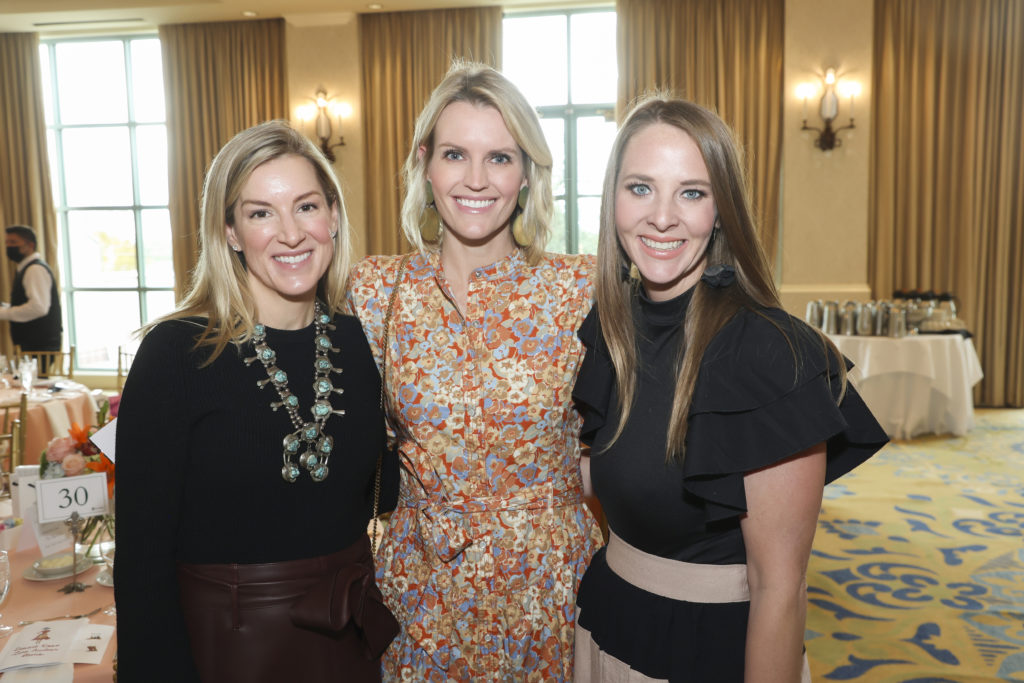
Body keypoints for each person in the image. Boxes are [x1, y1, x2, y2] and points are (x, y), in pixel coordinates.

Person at [571, 97, 889, 682]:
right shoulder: (611, 328)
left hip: (707, 649)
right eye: (640, 188)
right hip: (607, 625)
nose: (662, 217)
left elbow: (780, 588)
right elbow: (618, 479)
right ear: (612, 199)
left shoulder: (767, 354)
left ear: (721, 210)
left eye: (691, 192)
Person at [347, 61, 604, 681]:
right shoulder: (378, 289)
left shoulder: (580, 287)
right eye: (456, 154)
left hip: (548, 588)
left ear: (526, 173)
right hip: (419, 586)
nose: (476, 179)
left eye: (500, 158)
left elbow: (630, 440)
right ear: (424, 163)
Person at [114, 120, 398, 682]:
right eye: (261, 212)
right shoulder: (176, 355)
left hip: (348, 638)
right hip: (225, 651)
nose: (291, 234)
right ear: (231, 233)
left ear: (334, 217)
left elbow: (371, 483)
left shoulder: (361, 340)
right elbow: (142, 560)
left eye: (307, 206)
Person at [0, 225, 62, 354]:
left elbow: (38, 307)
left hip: (40, 346)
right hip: (33, 343)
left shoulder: (34, 269)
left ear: (30, 245)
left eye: (13, 242)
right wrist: (6, 307)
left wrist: (4, 313)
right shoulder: (26, 268)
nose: (8, 246)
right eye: (7, 242)